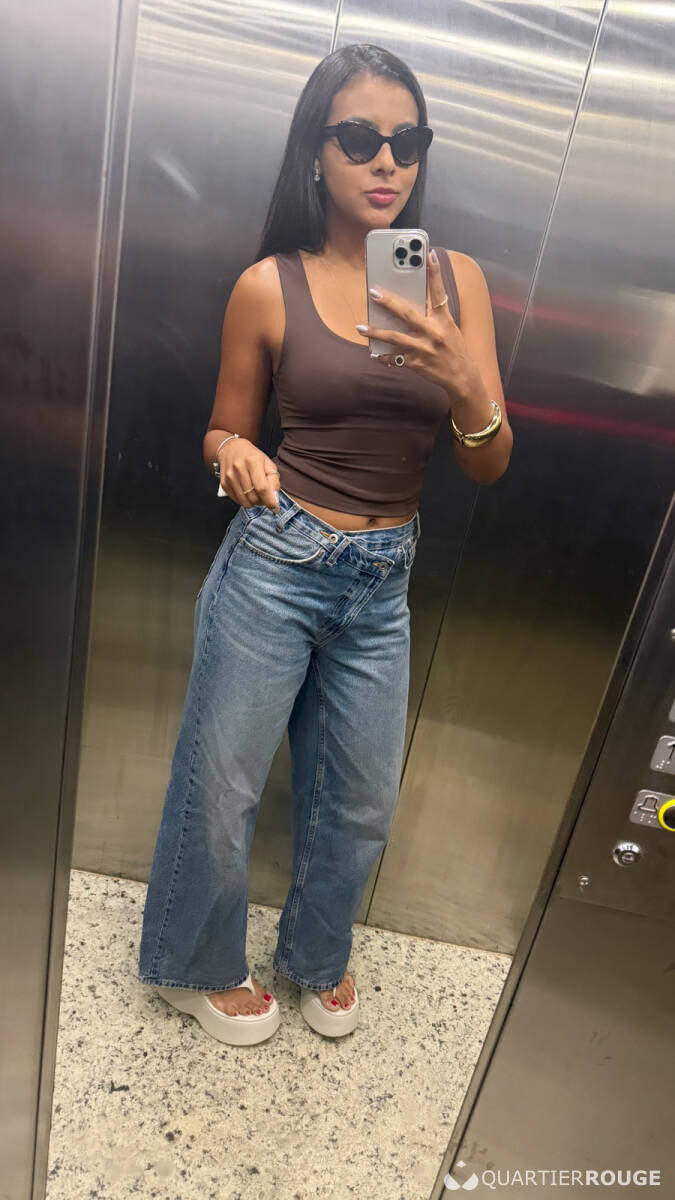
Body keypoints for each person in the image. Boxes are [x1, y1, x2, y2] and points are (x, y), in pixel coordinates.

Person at [137, 43, 512, 1046]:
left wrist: (464, 382)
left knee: (359, 803)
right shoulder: (269, 286)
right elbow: (222, 429)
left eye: (408, 140)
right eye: (358, 137)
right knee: (222, 785)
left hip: (383, 582)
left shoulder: (453, 283)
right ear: (316, 151)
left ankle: (314, 955)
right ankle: (190, 963)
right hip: (277, 561)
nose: (387, 160)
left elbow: (489, 462)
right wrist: (235, 456)